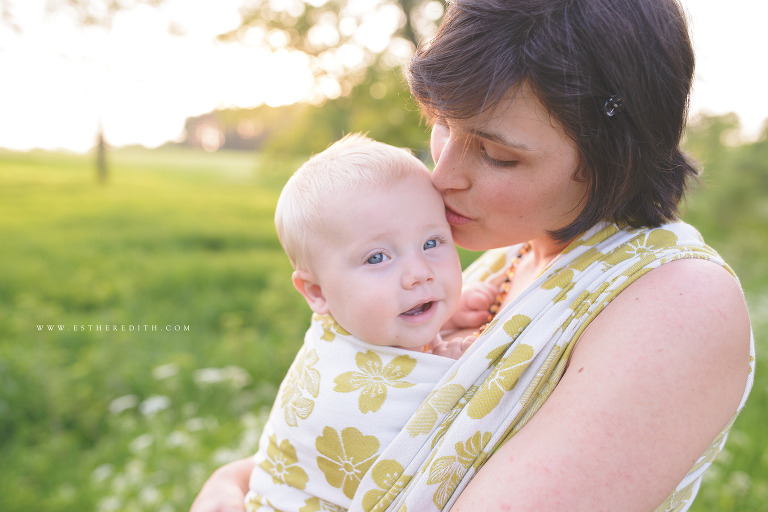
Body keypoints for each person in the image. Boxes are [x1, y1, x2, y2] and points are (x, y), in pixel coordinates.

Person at [191, 1, 755, 511]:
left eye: (496, 155)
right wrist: (234, 480)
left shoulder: (679, 301)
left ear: (616, 156)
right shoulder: (507, 257)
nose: (442, 175)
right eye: (442, 124)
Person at [241, 133, 496, 511]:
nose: (419, 273)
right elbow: (427, 431)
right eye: (377, 258)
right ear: (318, 293)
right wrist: (448, 362)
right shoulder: (342, 386)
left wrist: (445, 317)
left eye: (431, 243)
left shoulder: (362, 319)